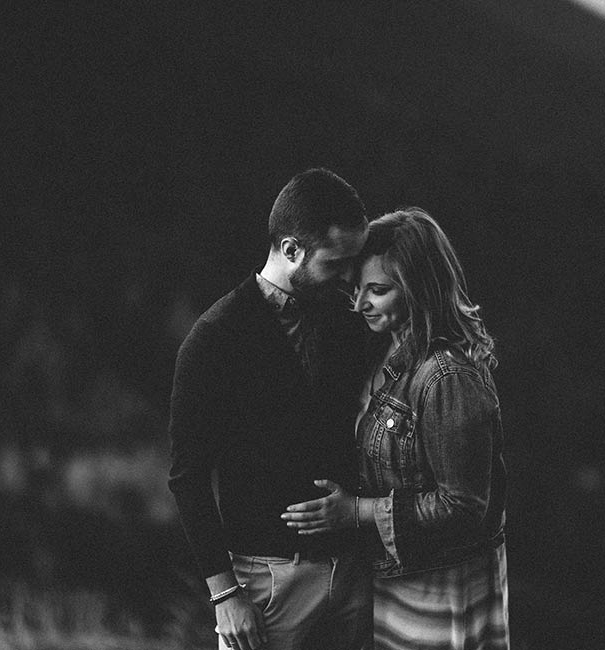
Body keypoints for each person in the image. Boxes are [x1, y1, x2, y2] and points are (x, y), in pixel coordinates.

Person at [281, 208, 510, 649]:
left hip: (440, 591)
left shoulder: (446, 377)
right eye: (357, 289)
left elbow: (462, 505)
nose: (360, 303)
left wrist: (357, 512)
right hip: (401, 582)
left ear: (419, 290)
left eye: (378, 291)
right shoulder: (389, 351)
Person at [168, 168, 373, 650]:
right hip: (267, 584)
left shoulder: (348, 323)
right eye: (337, 262)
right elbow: (188, 476)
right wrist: (225, 595)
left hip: (354, 575)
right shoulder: (214, 338)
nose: (350, 276)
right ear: (291, 250)